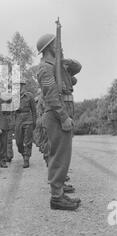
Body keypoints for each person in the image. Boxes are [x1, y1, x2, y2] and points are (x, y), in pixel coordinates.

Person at [36, 33, 81, 211]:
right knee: (58, 155)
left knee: (64, 155)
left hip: (61, 112)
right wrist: (63, 117)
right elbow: (52, 96)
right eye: (57, 44)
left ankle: (59, 192)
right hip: (56, 114)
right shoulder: (45, 68)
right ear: (48, 48)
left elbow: (77, 68)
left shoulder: (57, 67)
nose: (60, 47)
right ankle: (56, 197)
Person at [15, 79, 37, 168]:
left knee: (28, 140)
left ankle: (26, 158)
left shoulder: (29, 96)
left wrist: (34, 121)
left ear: (23, 86)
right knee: (18, 142)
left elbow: (34, 110)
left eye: (20, 85)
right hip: (18, 119)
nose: (19, 87)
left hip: (28, 119)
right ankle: (23, 153)